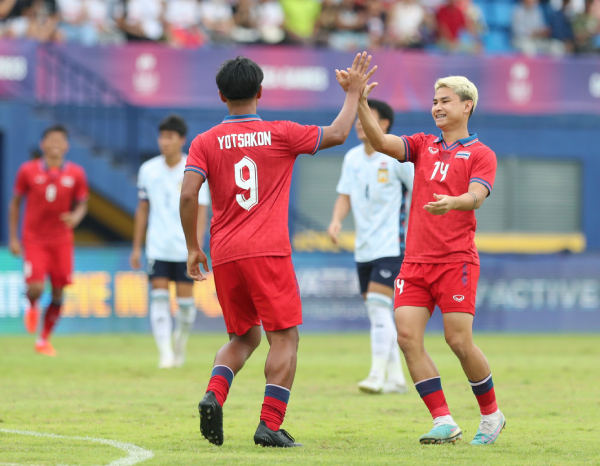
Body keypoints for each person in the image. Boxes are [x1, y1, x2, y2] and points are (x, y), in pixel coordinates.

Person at [179, 53, 376, 447]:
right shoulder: (279, 132)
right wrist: (353, 93)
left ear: (221, 95)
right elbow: (338, 133)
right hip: (268, 251)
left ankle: (213, 394)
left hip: (226, 252)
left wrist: (192, 247)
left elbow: (187, 194)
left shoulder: (204, 142)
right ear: (261, 91)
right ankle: (269, 424)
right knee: (284, 338)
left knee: (243, 337)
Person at [354, 75, 504, 445]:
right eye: (435, 100)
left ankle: (491, 416)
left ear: (467, 105)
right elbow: (380, 140)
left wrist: (454, 202)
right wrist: (358, 100)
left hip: (456, 261)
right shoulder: (422, 144)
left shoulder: (481, 153)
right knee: (406, 335)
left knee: (458, 341)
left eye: (446, 100)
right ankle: (444, 420)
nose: (437, 107)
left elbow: (477, 196)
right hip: (416, 262)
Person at [327, 99, 413, 395]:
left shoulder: (396, 158)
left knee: (378, 309)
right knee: (379, 312)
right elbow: (345, 194)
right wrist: (336, 220)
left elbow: (422, 191)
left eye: (366, 117)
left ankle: (376, 375)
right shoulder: (352, 158)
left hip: (392, 245)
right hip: (363, 248)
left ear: (384, 124)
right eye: (358, 119)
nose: (359, 123)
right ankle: (396, 378)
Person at [130, 115, 210, 369]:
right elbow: (142, 209)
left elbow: (201, 210)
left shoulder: (194, 168)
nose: (164, 142)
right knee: (160, 299)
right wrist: (136, 246)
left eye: (170, 137)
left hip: (183, 249)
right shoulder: (148, 170)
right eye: (161, 136)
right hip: (157, 247)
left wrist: (196, 246)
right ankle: (164, 353)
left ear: (181, 140)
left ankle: (180, 343)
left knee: (185, 305)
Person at [8, 125, 88, 356]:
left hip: (62, 239)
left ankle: (43, 340)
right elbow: (15, 203)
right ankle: (31, 303)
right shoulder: (28, 171)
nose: (55, 144)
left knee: (59, 291)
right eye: (50, 140)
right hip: (34, 239)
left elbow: (82, 202)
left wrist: (75, 216)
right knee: (35, 286)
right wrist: (14, 237)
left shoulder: (76, 174)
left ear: (66, 146)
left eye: (59, 140)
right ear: (42, 144)